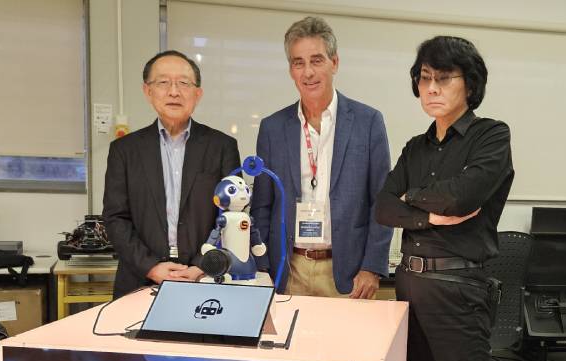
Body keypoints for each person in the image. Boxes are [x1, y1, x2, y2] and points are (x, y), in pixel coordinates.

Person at [375, 36, 514, 361]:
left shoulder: (491, 135)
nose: (431, 88)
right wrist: (430, 216)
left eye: (444, 78)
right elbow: (383, 207)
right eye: (424, 78)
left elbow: (462, 197)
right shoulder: (415, 148)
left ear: (469, 84)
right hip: (409, 286)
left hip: (458, 289)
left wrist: (411, 198)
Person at [251, 16, 392, 299]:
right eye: (298, 63)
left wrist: (372, 267)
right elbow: (262, 206)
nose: (308, 72)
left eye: (316, 61)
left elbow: (382, 201)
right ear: (291, 70)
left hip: (349, 274)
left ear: (334, 63)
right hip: (288, 271)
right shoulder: (272, 128)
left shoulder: (368, 122)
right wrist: (262, 267)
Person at [103, 50, 240, 298]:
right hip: (139, 280)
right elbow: (115, 218)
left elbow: (232, 215)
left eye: (184, 83)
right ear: (148, 91)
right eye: (163, 82)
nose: (174, 92)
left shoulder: (222, 147)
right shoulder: (124, 150)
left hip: (205, 279)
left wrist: (201, 265)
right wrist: (151, 267)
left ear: (198, 94)